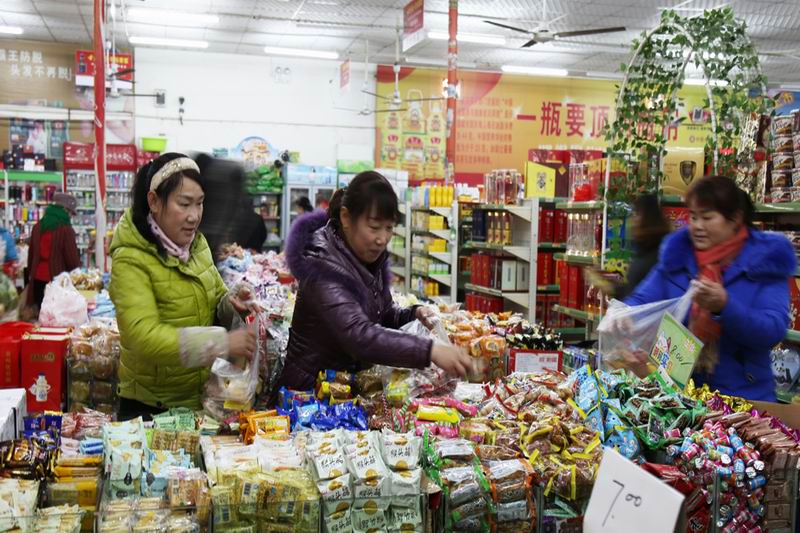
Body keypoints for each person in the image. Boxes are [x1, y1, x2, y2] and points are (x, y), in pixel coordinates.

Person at [276, 171, 473, 393]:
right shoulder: (322, 263)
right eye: (374, 227)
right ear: (346, 218)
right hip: (307, 395)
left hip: (344, 389)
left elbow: (383, 314)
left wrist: (414, 314)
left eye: (389, 228)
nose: (382, 239)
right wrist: (429, 350)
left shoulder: (365, 258)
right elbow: (358, 335)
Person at [109, 153, 257, 419]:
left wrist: (232, 302)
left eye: (200, 203)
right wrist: (222, 342)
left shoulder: (196, 245)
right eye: (185, 204)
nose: (194, 216)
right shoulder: (131, 259)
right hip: (150, 409)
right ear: (154, 201)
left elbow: (215, 296)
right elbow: (143, 337)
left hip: (195, 402)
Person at [625, 176, 796, 401]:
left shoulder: (766, 261)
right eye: (693, 216)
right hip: (680, 399)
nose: (697, 226)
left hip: (743, 401)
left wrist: (725, 306)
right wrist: (624, 316)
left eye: (707, 217)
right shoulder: (677, 258)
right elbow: (641, 300)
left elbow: (772, 330)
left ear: (735, 219)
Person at [26, 193, 81, 310]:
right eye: (70, 213)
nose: (70, 216)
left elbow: (31, 256)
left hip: (37, 279)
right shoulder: (66, 229)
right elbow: (72, 261)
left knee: (42, 314)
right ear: (65, 210)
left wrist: (31, 276)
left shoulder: (38, 226)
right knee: (56, 316)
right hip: (57, 282)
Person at [616, 193, 672, 299]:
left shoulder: (659, 252)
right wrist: (611, 288)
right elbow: (634, 289)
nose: (633, 220)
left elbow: (645, 296)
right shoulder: (642, 247)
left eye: (637, 214)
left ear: (648, 218)